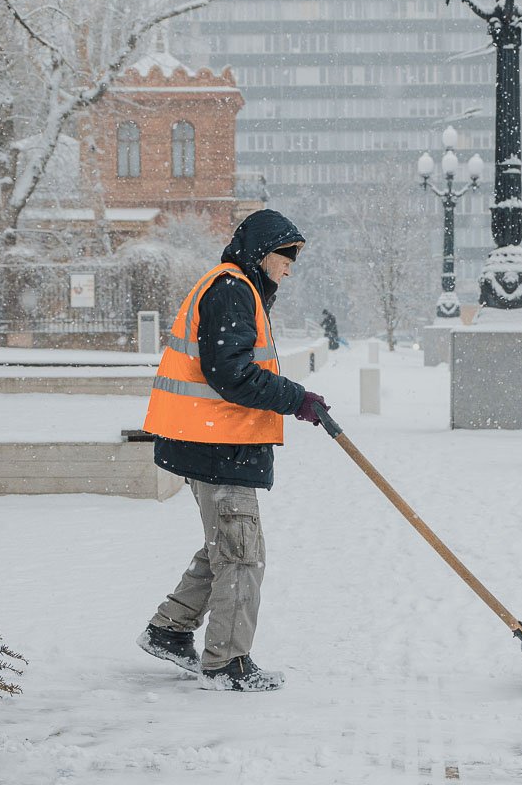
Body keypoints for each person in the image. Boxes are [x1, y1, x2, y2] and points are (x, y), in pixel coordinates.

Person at [138, 209, 329, 691]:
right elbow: (232, 374)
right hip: (217, 443)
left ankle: (169, 630)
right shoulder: (231, 290)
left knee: (225, 547)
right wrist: (295, 398)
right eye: (286, 259)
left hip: (212, 441)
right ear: (262, 255)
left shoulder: (236, 288)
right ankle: (227, 663)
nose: (289, 269)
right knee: (242, 555)